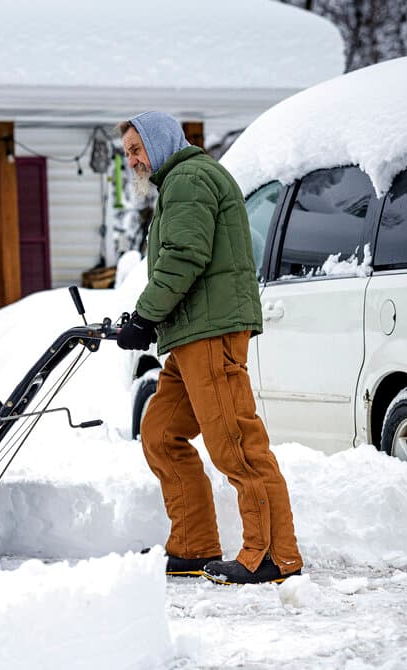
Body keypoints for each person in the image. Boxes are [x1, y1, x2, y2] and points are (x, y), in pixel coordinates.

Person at [115, 111, 303, 585]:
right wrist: (147, 319)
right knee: (160, 432)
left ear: (159, 144)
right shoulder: (182, 181)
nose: (132, 160)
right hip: (189, 336)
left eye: (137, 149)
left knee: (235, 444)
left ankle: (272, 556)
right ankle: (194, 546)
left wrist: (145, 316)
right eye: (128, 154)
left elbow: (184, 256)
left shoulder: (189, 178)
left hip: (210, 333)